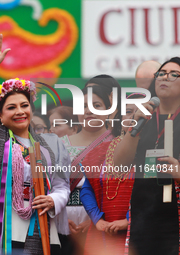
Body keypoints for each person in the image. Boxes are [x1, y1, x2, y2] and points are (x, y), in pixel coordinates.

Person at [0, 32, 70, 254]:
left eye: (24, 105)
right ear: (0, 116)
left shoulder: (50, 145)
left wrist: (53, 200)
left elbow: (62, 185)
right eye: (11, 107)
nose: (19, 111)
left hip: (40, 228)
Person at [114, 57, 180, 255]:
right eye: (161, 73)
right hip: (145, 214)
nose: (164, 78)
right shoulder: (144, 116)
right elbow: (119, 166)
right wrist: (135, 127)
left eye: (173, 74)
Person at [78, 93, 145, 255]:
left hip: (140, 230)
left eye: (140, 112)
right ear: (120, 118)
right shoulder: (100, 152)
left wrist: (129, 220)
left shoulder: (152, 151)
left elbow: (152, 194)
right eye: (129, 111)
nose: (134, 117)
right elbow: (86, 188)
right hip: (104, 230)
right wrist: (97, 219)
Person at [63, 85, 117, 255]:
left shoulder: (118, 144)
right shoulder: (60, 143)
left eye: (97, 105)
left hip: (104, 220)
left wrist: (96, 221)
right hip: (64, 221)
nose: (89, 111)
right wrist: (61, 219)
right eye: (84, 106)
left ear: (109, 110)